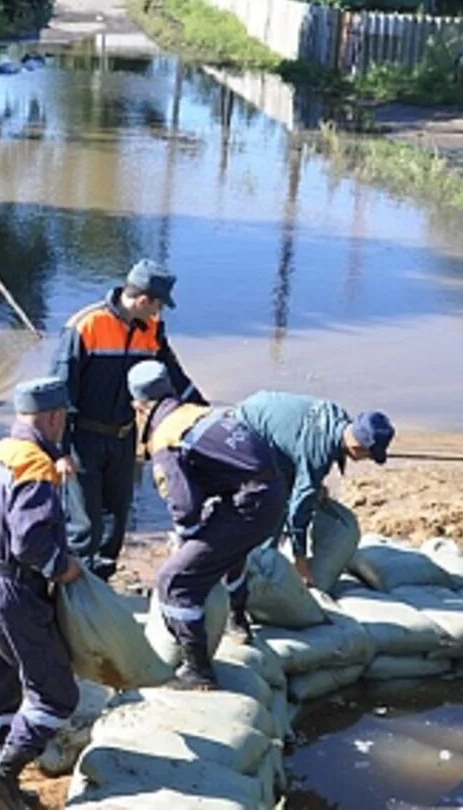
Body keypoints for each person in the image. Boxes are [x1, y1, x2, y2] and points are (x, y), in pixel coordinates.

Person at [0, 377, 83, 810]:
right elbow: (30, 543)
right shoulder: (36, 465)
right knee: (57, 694)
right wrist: (64, 568)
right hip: (10, 592)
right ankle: (2, 776)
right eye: (64, 418)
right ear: (54, 417)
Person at [129, 361, 287, 689]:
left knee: (176, 581)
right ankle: (237, 621)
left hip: (249, 505)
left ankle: (198, 671)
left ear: (141, 407)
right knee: (226, 554)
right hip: (269, 493)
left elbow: (185, 505)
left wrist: (186, 539)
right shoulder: (198, 412)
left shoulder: (166, 437)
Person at [51, 259, 205, 580]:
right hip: (83, 441)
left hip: (124, 438)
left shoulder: (152, 331)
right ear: (143, 300)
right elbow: (60, 392)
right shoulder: (86, 326)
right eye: (158, 305)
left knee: (116, 520)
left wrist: (204, 414)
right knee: (84, 523)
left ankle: (102, 584)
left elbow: (174, 378)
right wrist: (60, 451)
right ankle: (73, 593)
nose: (159, 312)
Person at [235, 391, 394, 587]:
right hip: (247, 432)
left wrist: (315, 484)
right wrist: (300, 561)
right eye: (369, 455)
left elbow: (302, 450)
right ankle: (259, 567)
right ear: (357, 447)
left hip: (267, 425)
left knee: (291, 490)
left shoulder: (339, 421)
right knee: (276, 505)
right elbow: (298, 511)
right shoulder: (318, 452)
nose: (367, 460)